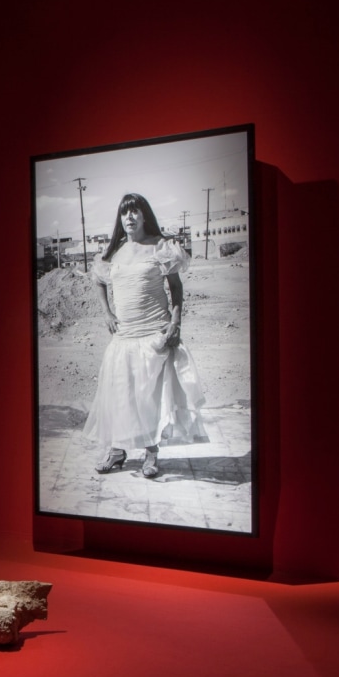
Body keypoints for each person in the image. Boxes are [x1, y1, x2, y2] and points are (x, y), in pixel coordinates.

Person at [83, 193, 206, 478]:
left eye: (135, 211)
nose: (129, 217)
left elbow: (175, 287)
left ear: (144, 215)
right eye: (125, 212)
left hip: (154, 333)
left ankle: (151, 452)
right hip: (124, 336)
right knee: (121, 394)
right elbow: (98, 280)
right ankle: (117, 451)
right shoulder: (113, 252)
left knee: (149, 397)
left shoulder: (161, 247)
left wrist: (176, 321)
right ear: (120, 218)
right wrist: (106, 313)